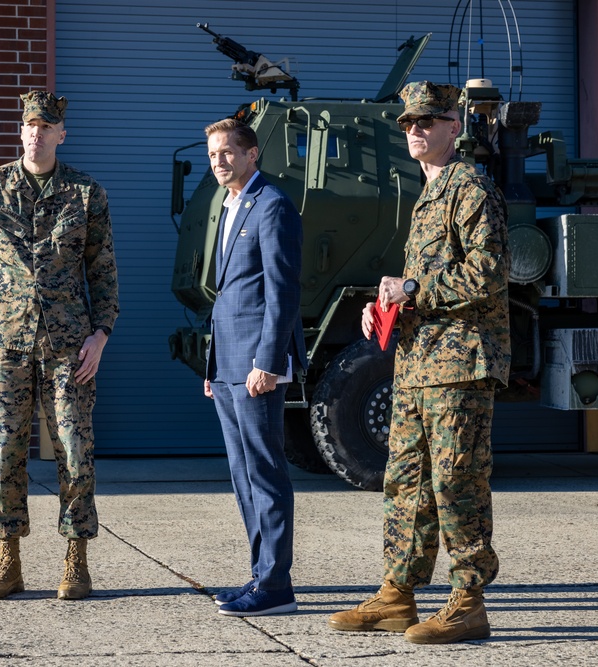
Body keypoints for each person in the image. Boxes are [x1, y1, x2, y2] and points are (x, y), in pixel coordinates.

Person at [327, 81, 510, 644]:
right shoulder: (427, 193)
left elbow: (489, 272)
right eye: (408, 123)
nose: (416, 130)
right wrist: (385, 307)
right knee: (406, 483)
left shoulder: (470, 188)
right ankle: (396, 595)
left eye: (428, 121)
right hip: (416, 364)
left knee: (457, 481)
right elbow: (422, 287)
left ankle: (468, 601)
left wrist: (409, 288)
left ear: (455, 125)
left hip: (460, 365)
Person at [0, 90, 119, 601]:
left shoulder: (86, 193)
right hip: (4, 343)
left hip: (70, 344)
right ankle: (9, 562)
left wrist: (101, 334)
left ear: (61, 134)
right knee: (4, 450)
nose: (37, 133)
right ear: (21, 131)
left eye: (47, 126)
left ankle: (76, 562)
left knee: (74, 450)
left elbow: (103, 271)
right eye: (30, 126)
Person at [201, 118, 307, 617]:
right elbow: (228, 293)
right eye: (213, 155)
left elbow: (282, 292)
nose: (219, 162)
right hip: (229, 365)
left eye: (227, 153)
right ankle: (260, 575)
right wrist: (214, 365)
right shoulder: (230, 205)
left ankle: (276, 586)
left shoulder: (273, 205)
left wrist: (268, 361)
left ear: (251, 155)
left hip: (256, 367)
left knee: (264, 474)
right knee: (243, 476)